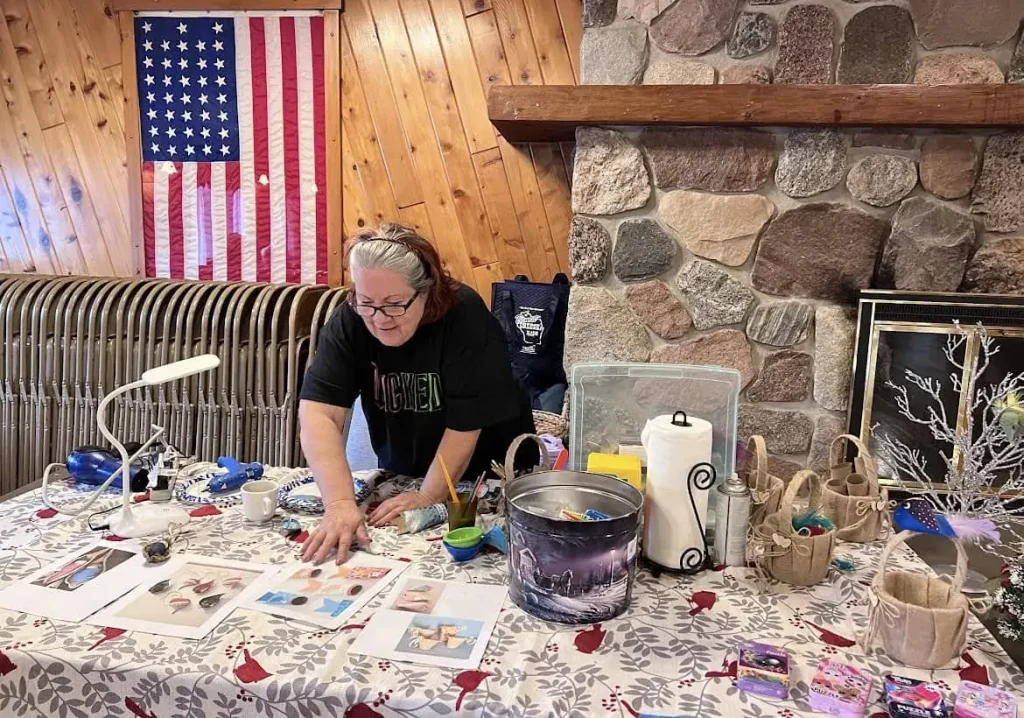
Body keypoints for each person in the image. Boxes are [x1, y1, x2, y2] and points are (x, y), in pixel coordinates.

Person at [298, 223, 536, 564]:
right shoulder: (351, 318)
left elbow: (464, 427)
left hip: (484, 477)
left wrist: (428, 495)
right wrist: (338, 504)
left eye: (395, 304)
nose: (380, 319)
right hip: (405, 471)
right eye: (367, 303)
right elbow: (320, 413)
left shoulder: (463, 314)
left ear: (426, 291)